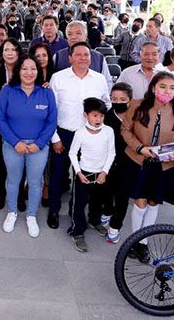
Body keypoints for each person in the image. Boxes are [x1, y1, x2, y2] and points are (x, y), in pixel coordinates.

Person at [121, 71, 174, 263]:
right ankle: (135, 240)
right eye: (163, 86)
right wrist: (140, 148)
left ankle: (144, 242)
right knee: (140, 201)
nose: (167, 91)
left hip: (164, 165)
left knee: (153, 202)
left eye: (172, 88)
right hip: (140, 161)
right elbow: (125, 130)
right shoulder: (137, 105)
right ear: (153, 88)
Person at [47, 42, 110, 229]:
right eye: (78, 54)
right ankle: (53, 211)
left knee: (86, 177)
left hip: (90, 137)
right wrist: (55, 138)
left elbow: (106, 105)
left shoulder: (99, 79)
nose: (83, 58)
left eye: (86, 55)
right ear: (70, 58)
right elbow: (51, 111)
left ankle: (77, 211)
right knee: (58, 175)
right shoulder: (58, 78)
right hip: (64, 135)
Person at [0, 55, 57, 238]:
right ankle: (12, 212)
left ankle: (31, 216)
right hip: (12, 145)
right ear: (18, 71)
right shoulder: (8, 90)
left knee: (35, 182)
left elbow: (52, 121)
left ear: (38, 71)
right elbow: (0, 119)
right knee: (13, 180)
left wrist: (39, 144)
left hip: (38, 147)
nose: (29, 73)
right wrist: (16, 142)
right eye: (24, 68)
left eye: (33, 68)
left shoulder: (46, 92)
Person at [68, 97, 115, 252]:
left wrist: (104, 172)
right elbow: (72, 153)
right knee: (79, 204)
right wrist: (78, 173)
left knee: (98, 200)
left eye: (101, 116)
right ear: (85, 115)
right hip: (84, 174)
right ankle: (77, 231)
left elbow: (111, 153)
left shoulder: (108, 131)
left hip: (101, 174)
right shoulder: (80, 133)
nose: (98, 119)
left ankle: (95, 221)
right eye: (95, 115)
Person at [0, 38, 24, 208]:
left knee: (21, 159)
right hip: (0, 122)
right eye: (6, 50)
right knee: (2, 159)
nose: (10, 53)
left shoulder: (25, 70)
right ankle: (2, 192)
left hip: (21, 122)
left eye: (13, 49)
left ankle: (19, 194)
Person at [102, 82, 134, 244]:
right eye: (114, 99)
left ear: (130, 100)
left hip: (130, 162)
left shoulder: (136, 117)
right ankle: (107, 211)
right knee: (107, 190)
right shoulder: (106, 117)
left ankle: (115, 227)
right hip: (109, 162)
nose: (118, 102)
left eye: (122, 99)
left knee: (123, 195)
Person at [52, 21, 112, 86]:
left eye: (78, 33)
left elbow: (107, 82)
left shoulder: (99, 58)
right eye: (70, 34)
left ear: (86, 35)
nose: (73, 37)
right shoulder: (58, 56)